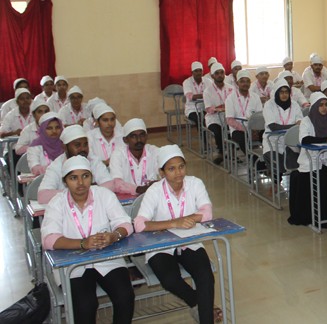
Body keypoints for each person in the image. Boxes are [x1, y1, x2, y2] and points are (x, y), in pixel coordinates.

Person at [41, 155, 134, 324]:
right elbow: (49, 239)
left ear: (92, 177)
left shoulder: (104, 195)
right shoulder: (57, 203)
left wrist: (113, 236)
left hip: (107, 259)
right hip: (73, 264)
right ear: (65, 181)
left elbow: (126, 224)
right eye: (73, 178)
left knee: (125, 297)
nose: (81, 183)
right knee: (86, 305)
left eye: (85, 176)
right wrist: (83, 243)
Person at [133, 145, 221, 324]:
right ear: (162, 172)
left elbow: (207, 213)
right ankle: (198, 302)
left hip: (189, 241)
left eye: (181, 166)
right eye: (171, 169)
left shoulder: (195, 183)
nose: (178, 173)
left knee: (205, 276)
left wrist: (188, 219)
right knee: (170, 279)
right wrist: (174, 223)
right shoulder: (155, 191)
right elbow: (139, 224)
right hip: (161, 245)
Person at [287, 92, 327, 226]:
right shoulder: (306, 121)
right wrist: (326, 139)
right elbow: (305, 140)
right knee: (317, 179)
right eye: (321, 105)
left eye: (326, 105)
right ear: (314, 107)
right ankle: (313, 216)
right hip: (310, 162)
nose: (324, 108)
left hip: (326, 160)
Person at [38, 125, 115, 204]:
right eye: (77, 145)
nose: (83, 149)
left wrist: (82, 192)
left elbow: (110, 186)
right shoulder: (56, 166)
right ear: (64, 147)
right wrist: (78, 193)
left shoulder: (94, 161)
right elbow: (43, 196)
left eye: (85, 144)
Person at [262, 80, 303, 179]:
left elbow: (300, 124)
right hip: (272, 142)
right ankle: (275, 183)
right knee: (278, 163)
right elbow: (273, 127)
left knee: (297, 164)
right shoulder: (269, 105)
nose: (284, 95)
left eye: (286, 92)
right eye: (281, 92)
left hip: (290, 142)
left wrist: (295, 126)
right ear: (276, 93)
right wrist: (293, 126)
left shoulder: (294, 104)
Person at [109, 118, 160, 195]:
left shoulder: (154, 151)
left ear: (146, 136)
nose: (139, 140)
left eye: (142, 135)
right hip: (127, 199)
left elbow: (166, 174)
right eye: (133, 136)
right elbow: (117, 183)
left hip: (153, 196)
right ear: (125, 140)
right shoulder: (117, 155)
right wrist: (139, 189)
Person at [225, 69, 263, 157]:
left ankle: (269, 159)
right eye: (242, 81)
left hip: (254, 129)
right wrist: (246, 130)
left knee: (266, 135)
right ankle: (253, 161)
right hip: (238, 129)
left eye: (247, 81)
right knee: (242, 139)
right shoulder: (230, 98)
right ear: (237, 83)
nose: (245, 84)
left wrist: (255, 130)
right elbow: (230, 120)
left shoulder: (255, 97)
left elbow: (260, 116)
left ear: (250, 83)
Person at [203, 62, 234, 164]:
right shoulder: (208, 91)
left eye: (222, 72)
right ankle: (221, 152)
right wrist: (219, 108)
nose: (220, 75)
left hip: (228, 116)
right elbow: (208, 109)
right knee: (218, 130)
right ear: (212, 76)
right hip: (214, 118)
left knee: (234, 129)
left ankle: (231, 153)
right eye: (217, 73)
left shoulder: (231, 88)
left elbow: (235, 103)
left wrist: (225, 107)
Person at [183, 61, 206, 131]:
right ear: (192, 72)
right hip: (192, 109)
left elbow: (213, 94)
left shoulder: (208, 81)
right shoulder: (187, 82)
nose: (199, 73)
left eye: (200, 71)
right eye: (196, 71)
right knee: (200, 119)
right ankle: (204, 140)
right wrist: (205, 95)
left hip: (205, 108)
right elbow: (191, 97)